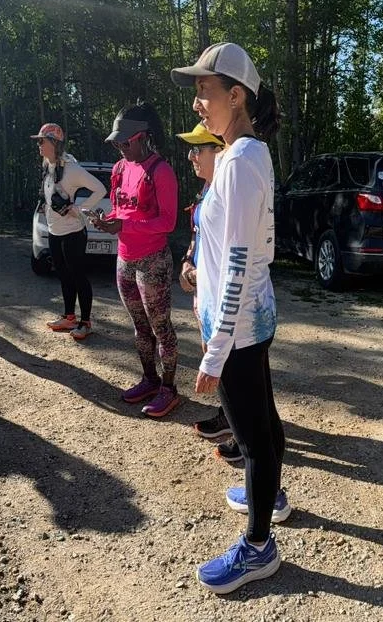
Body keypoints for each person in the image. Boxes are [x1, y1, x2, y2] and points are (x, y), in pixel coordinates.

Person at [172, 41, 286, 594]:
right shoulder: (248, 154)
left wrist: (215, 353)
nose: (198, 101)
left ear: (235, 95)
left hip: (237, 328)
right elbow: (236, 250)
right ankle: (273, 497)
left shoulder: (239, 163)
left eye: (204, 89)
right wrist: (200, 273)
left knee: (252, 440)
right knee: (263, 423)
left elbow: (241, 261)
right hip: (249, 321)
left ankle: (259, 547)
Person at [97, 103, 182, 418]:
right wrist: (106, 220)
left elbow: (168, 222)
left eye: (125, 142)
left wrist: (124, 225)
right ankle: (149, 379)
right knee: (139, 326)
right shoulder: (120, 169)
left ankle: (169, 389)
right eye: (117, 142)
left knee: (161, 327)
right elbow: (120, 209)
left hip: (153, 262)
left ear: (143, 137)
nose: (120, 147)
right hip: (125, 259)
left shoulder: (161, 171)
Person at [177, 122, 240, 464]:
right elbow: (197, 237)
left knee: (227, 362)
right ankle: (227, 418)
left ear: (220, 152)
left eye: (197, 149)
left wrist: (206, 274)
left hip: (222, 293)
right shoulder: (205, 192)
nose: (191, 157)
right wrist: (188, 263)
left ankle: (238, 429)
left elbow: (237, 251)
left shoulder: (230, 193)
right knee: (212, 355)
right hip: (204, 291)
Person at [31, 123, 107, 341]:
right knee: (63, 274)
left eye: (42, 141)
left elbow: (99, 189)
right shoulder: (48, 165)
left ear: (54, 143)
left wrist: (79, 209)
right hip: (55, 231)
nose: (39, 145)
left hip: (73, 232)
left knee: (78, 276)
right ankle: (69, 316)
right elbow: (48, 192)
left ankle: (86, 322)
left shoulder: (71, 168)